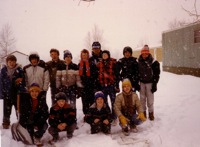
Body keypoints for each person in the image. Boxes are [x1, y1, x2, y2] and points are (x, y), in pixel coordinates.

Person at [0, 55, 26, 129]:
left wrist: (20, 88)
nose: (11, 63)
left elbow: (23, 81)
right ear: (7, 62)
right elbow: (1, 82)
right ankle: (6, 122)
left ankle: (20, 121)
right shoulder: (3, 70)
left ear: (15, 62)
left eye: (13, 62)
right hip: (7, 93)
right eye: (10, 62)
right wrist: (2, 93)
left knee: (18, 108)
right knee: (6, 109)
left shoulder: (19, 70)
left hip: (17, 94)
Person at [96, 50, 120, 125]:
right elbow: (98, 75)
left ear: (108, 55)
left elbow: (117, 75)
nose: (104, 56)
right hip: (103, 86)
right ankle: (108, 116)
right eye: (103, 55)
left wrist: (116, 85)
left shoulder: (113, 63)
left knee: (114, 102)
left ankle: (114, 117)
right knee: (105, 102)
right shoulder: (99, 64)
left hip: (111, 85)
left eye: (106, 55)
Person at [138, 45, 160, 121]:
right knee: (142, 99)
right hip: (142, 83)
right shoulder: (139, 62)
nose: (144, 55)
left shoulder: (154, 62)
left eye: (146, 54)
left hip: (150, 83)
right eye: (143, 54)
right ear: (141, 54)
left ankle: (151, 113)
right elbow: (137, 73)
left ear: (148, 53)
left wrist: (155, 84)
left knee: (150, 99)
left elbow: (156, 74)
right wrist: (137, 83)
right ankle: (143, 113)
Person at [78, 49, 98, 117]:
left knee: (92, 101)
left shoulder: (92, 64)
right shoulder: (79, 65)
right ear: (81, 56)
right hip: (83, 87)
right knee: (84, 102)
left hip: (91, 86)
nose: (84, 57)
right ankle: (86, 114)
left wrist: (94, 86)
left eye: (86, 55)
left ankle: (92, 114)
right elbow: (78, 77)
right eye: (83, 55)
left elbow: (95, 75)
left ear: (88, 55)